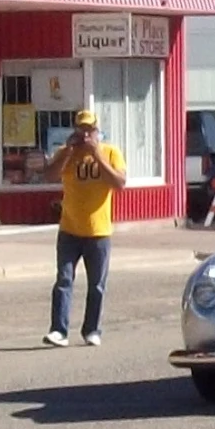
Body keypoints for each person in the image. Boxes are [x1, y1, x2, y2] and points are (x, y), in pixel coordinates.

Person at [42, 109, 127, 347]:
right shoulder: (66, 153)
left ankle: (92, 330)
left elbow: (120, 183)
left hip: (98, 232)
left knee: (97, 285)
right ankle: (59, 330)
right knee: (63, 280)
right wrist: (68, 151)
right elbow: (48, 176)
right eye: (81, 129)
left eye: (89, 130)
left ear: (97, 130)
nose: (85, 134)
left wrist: (97, 155)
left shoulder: (110, 152)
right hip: (69, 229)